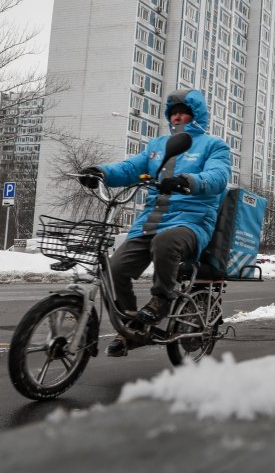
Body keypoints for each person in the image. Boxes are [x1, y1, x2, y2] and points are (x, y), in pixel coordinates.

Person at [78, 88, 231, 356]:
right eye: (173, 114)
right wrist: (100, 173)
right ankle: (132, 328)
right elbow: (128, 168)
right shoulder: (156, 146)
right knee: (113, 271)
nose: (178, 117)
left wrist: (188, 181)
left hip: (191, 223)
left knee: (166, 242)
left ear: (197, 115)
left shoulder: (214, 145)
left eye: (184, 112)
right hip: (149, 223)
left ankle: (162, 299)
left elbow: (218, 177)